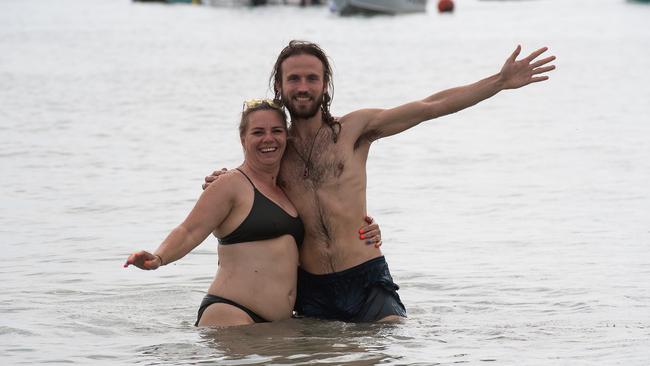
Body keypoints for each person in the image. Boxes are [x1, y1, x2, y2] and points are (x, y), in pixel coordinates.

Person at [203, 40, 557, 323]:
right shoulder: (275, 151)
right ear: (279, 86)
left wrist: (498, 82)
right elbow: (245, 187)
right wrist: (221, 180)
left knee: (392, 345)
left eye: (312, 77)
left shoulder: (355, 130)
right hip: (311, 287)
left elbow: (430, 106)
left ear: (325, 84)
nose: (303, 86)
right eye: (293, 78)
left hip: (367, 277)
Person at [125, 99, 381, 327]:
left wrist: (363, 227)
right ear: (243, 139)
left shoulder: (285, 190)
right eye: (258, 132)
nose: (268, 138)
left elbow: (322, 225)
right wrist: (159, 257)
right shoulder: (230, 184)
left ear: (286, 137)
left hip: (279, 326)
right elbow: (189, 230)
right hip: (233, 314)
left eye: (276, 131)